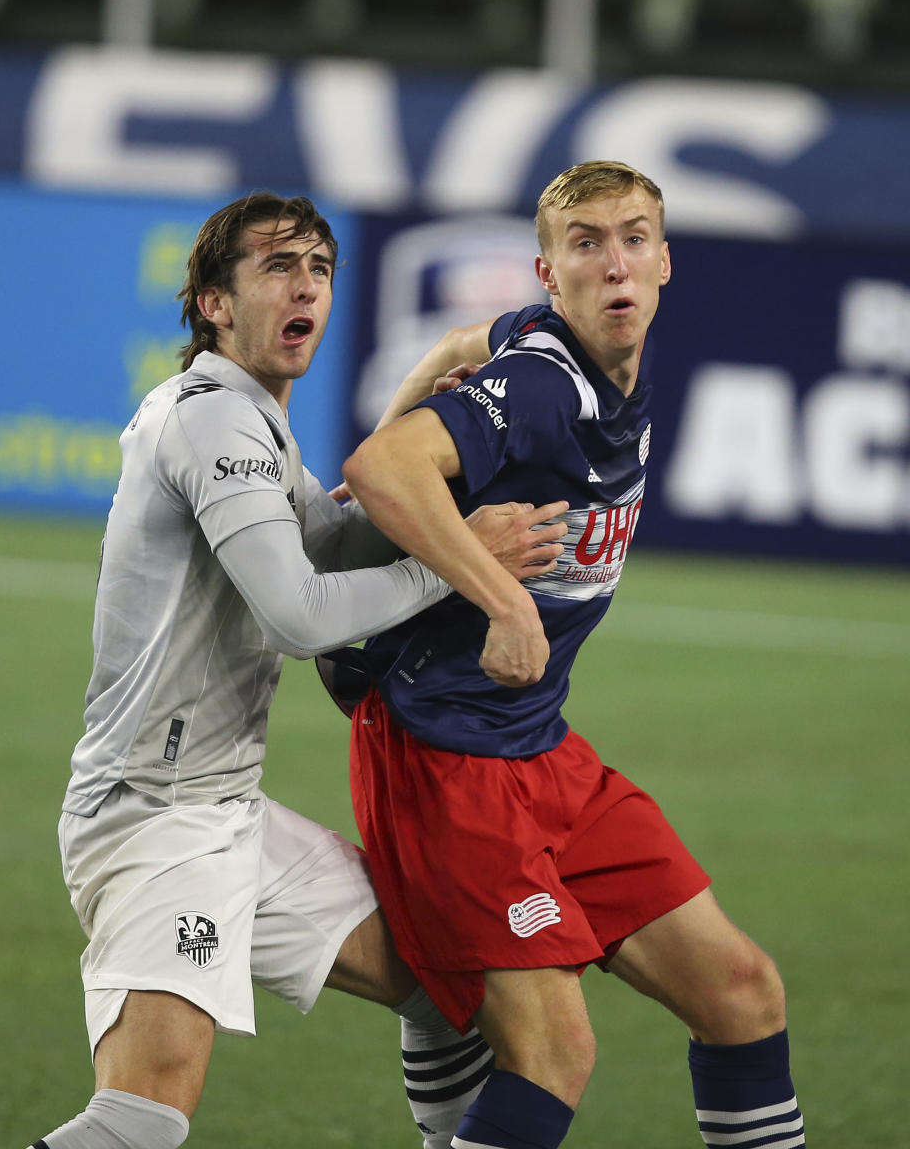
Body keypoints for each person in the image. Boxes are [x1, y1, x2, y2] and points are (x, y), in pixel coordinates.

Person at [27, 192, 569, 1149]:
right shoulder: (210, 423)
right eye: (279, 266)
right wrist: (462, 565)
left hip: (228, 810)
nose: (306, 284)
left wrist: (435, 382)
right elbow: (300, 613)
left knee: (449, 983)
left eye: (320, 267)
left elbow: (337, 534)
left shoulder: (254, 421)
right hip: (157, 820)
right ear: (213, 303)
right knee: (143, 1119)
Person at [338, 161, 807, 1149]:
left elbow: (467, 340)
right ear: (550, 272)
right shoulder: (545, 387)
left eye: (634, 237)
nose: (615, 263)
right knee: (554, 1051)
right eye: (587, 244)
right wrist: (502, 597)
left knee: (741, 990)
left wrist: (411, 403)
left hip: (540, 749)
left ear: (666, 261)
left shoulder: (556, 348)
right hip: (447, 755)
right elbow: (382, 469)